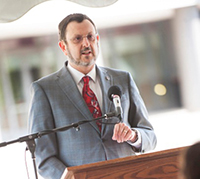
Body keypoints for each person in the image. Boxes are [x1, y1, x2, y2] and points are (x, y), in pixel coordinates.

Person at [28, 13, 157, 179]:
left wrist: (133, 136)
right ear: (63, 47)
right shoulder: (45, 90)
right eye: (77, 39)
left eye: (90, 37)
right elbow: (44, 158)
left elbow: (150, 136)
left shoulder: (123, 79)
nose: (86, 43)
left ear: (97, 39)